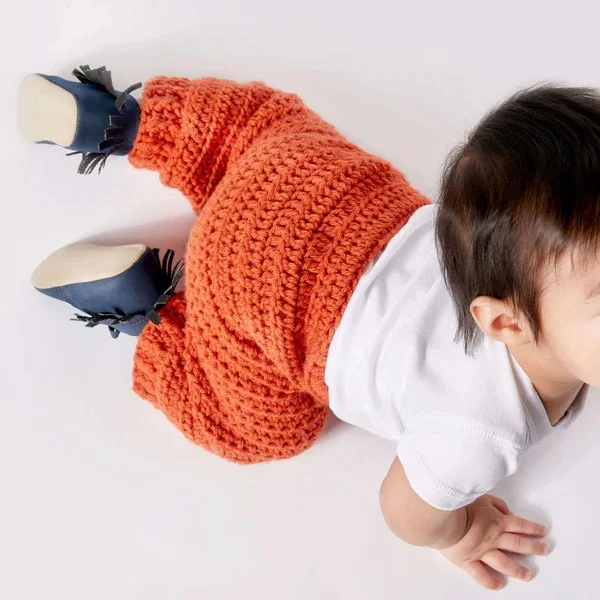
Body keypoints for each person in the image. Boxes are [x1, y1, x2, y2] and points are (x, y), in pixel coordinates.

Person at [19, 65, 597, 591]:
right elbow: (405, 511)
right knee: (265, 428)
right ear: (502, 320)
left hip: (322, 188)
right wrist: (460, 532)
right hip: (253, 288)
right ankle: (159, 308)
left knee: (254, 128)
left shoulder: (505, 258)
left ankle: (122, 119)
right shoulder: (479, 437)